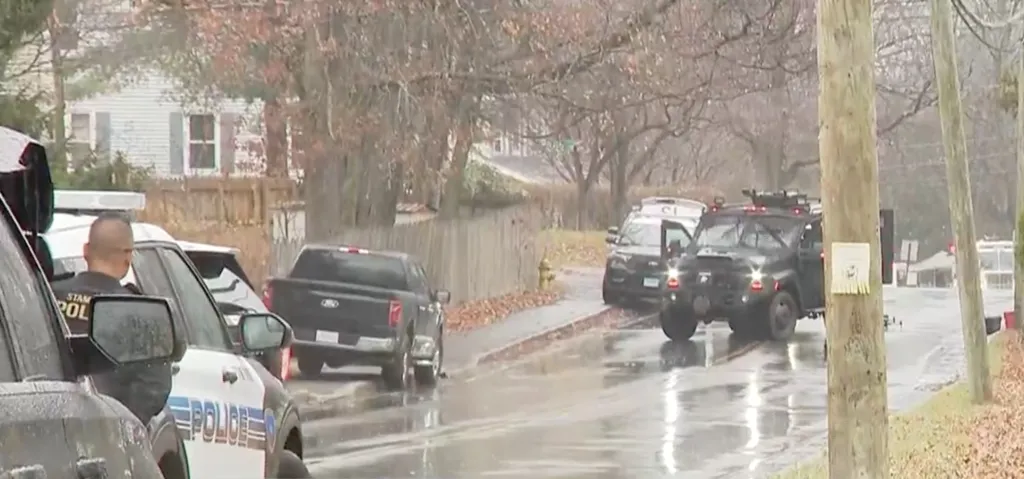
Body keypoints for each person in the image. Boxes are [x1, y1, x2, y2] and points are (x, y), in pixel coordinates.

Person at [50, 212, 173, 423]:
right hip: (107, 434)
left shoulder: (46, 294)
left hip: (47, 423)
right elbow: (155, 385)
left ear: (86, 251)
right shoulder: (138, 311)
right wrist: (119, 422)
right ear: (128, 257)